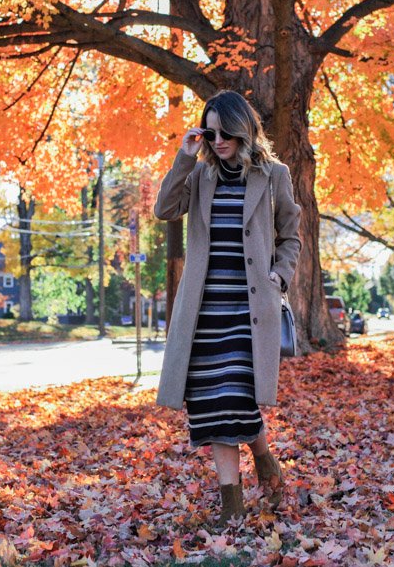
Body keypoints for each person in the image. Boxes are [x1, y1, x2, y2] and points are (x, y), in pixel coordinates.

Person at [153, 90, 302, 529]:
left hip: (248, 310)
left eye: (225, 132)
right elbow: (164, 209)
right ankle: (232, 504)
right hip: (204, 312)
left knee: (237, 398)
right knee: (213, 408)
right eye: (210, 132)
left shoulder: (274, 176)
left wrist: (281, 274)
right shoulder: (199, 177)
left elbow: (291, 235)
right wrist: (185, 157)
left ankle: (262, 457)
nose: (217, 141)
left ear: (243, 130)